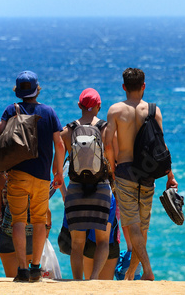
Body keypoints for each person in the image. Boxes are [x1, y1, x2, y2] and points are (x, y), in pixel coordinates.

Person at [0, 71, 65, 282]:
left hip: (18, 175)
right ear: (37, 89)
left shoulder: (12, 110)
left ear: (19, 91)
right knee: (39, 221)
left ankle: (22, 269)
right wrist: (58, 172)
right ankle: (36, 267)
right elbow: (60, 144)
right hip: (42, 177)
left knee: (18, 220)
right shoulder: (49, 112)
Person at [105, 67, 178, 281]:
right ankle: (131, 274)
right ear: (144, 86)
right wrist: (169, 175)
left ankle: (146, 270)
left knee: (132, 225)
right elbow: (161, 146)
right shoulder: (154, 110)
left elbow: (108, 144)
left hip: (126, 171)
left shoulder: (115, 111)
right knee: (142, 226)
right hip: (147, 173)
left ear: (124, 87)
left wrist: (112, 169)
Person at [59, 88, 112, 280]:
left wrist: (63, 189)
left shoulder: (67, 131)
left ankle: (77, 282)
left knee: (77, 244)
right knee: (103, 241)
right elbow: (112, 161)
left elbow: (58, 168)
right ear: (98, 106)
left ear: (80, 106)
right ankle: (94, 278)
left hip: (75, 188)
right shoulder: (106, 129)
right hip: (101, 187)